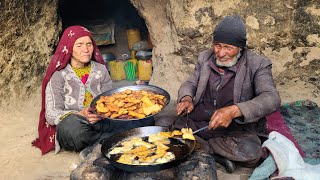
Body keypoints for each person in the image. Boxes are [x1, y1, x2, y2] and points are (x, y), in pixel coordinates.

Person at [156, 15, 281, 173]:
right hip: (199, 122)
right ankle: (215, 155)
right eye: (217, 45)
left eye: (228, 47)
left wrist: (234, 110)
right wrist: (186, 98)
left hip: (234, 130)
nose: (221, 53)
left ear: (240, 47)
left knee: (251, 152)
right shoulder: (205, 57)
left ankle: (198, 148)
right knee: (159, 123)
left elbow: (271, 97)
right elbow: (191, 83)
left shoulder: (258, 64)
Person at [32, 26, 153, 155]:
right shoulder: (58, 76)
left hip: (101, 121)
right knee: (72, 128)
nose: (86, 49)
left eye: (89, 44)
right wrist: (80, 114)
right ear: (69, 48)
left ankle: (99, 143)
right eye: (79, 45)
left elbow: (108, 101)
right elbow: (51, 114)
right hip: (77, 124)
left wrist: (100, 114)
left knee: (146, 120)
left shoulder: (100, 70)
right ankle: (114, 139)